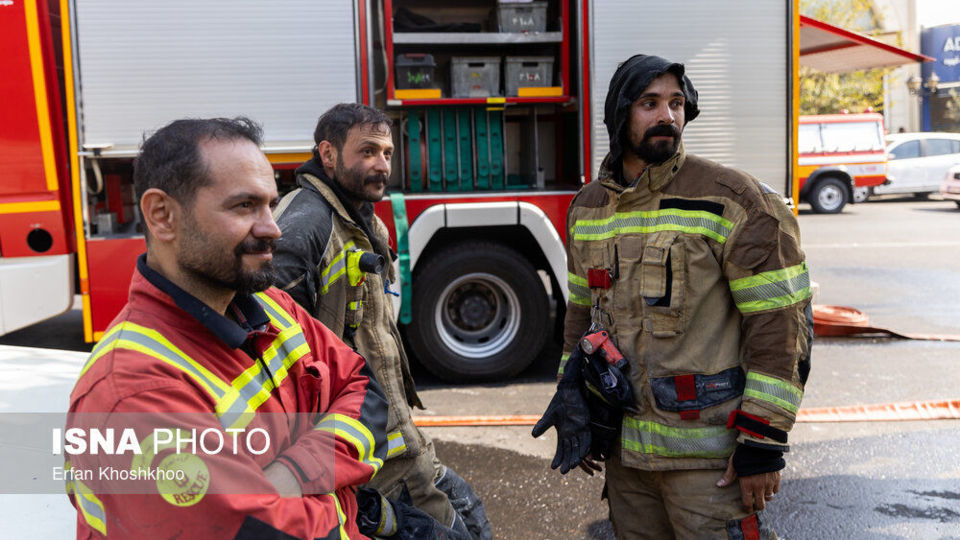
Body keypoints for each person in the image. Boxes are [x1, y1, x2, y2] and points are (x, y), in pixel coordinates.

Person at [66, 117, 395, 538]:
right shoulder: (133, 394)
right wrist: (343, 497)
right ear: (162, 215)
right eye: (244, 206)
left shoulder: (269, 305)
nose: (272, 228)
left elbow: (365, 390)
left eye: (270, 204)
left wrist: (292, 475)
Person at [534, 55, 812, 539]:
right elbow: (580, 317)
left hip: (711, 467)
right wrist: (571, 395)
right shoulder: (589, 207)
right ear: (621, 114)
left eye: (676, 103)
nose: (667, 116)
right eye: (650, 103)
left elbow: (780, 324)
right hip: (625, 462)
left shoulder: (734, 200)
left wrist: (763, 440)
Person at [272, 103, 492, 539]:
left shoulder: (360, 219)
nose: (382, 164)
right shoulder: (308, 224)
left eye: (388, 153)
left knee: (476, 521)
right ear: (328, 154)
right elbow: (279, 356)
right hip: (375, 459)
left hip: (404, 442)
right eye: (368, 151)